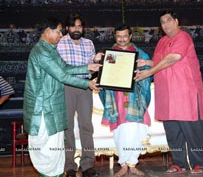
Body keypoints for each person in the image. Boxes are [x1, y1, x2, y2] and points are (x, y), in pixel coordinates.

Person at [23, 17, 100, 177]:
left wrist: (86, 66)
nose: (60, 34)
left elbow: (64, 67)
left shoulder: (49, 49)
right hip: (43, 107)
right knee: (47, 147)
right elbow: (62, 76)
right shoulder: (41, 52)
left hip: (51, 103)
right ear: (47, 31)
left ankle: (62, 171)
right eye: (58, 31)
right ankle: (54, 173)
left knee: (55, 143)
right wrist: (87, 84)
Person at [134, 10, 203, 175]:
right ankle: (178, 163)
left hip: (185, 92)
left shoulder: (183, 37)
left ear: (176, 21)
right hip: (167, 94)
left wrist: (149, 72)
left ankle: (199, 163)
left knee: (192, 130)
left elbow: (172, 58)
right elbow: (161, 61)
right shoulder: (161, 41)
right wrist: (147, 62)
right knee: (173, 132)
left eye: (168, 20)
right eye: (162, 22)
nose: (165, 24)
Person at [99, 24, 152, 177]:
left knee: (135, 130)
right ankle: (123, 164)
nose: (122, 39)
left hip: (135, 98)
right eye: (118, 36)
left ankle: (132, 163)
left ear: (130, 37)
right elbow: (103, 73)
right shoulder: (110, 54)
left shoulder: (139, 53)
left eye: (124, 36)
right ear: (115, 37)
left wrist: (142, 70)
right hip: (116, 99)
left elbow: (151, 71)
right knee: (120, 131)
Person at [57, 13, 101, 177]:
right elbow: (60, 68)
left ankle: (88, 165)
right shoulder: (60, 42)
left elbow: (93, 65)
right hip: (66, 86)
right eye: (74, 26)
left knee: (86, 126)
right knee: (67, 127)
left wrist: (97, 59)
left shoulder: (89, 43)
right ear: (68, 28)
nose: (77, 29)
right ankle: (69, 166)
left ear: (83, 28)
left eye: (80, 26)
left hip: (85, 87)